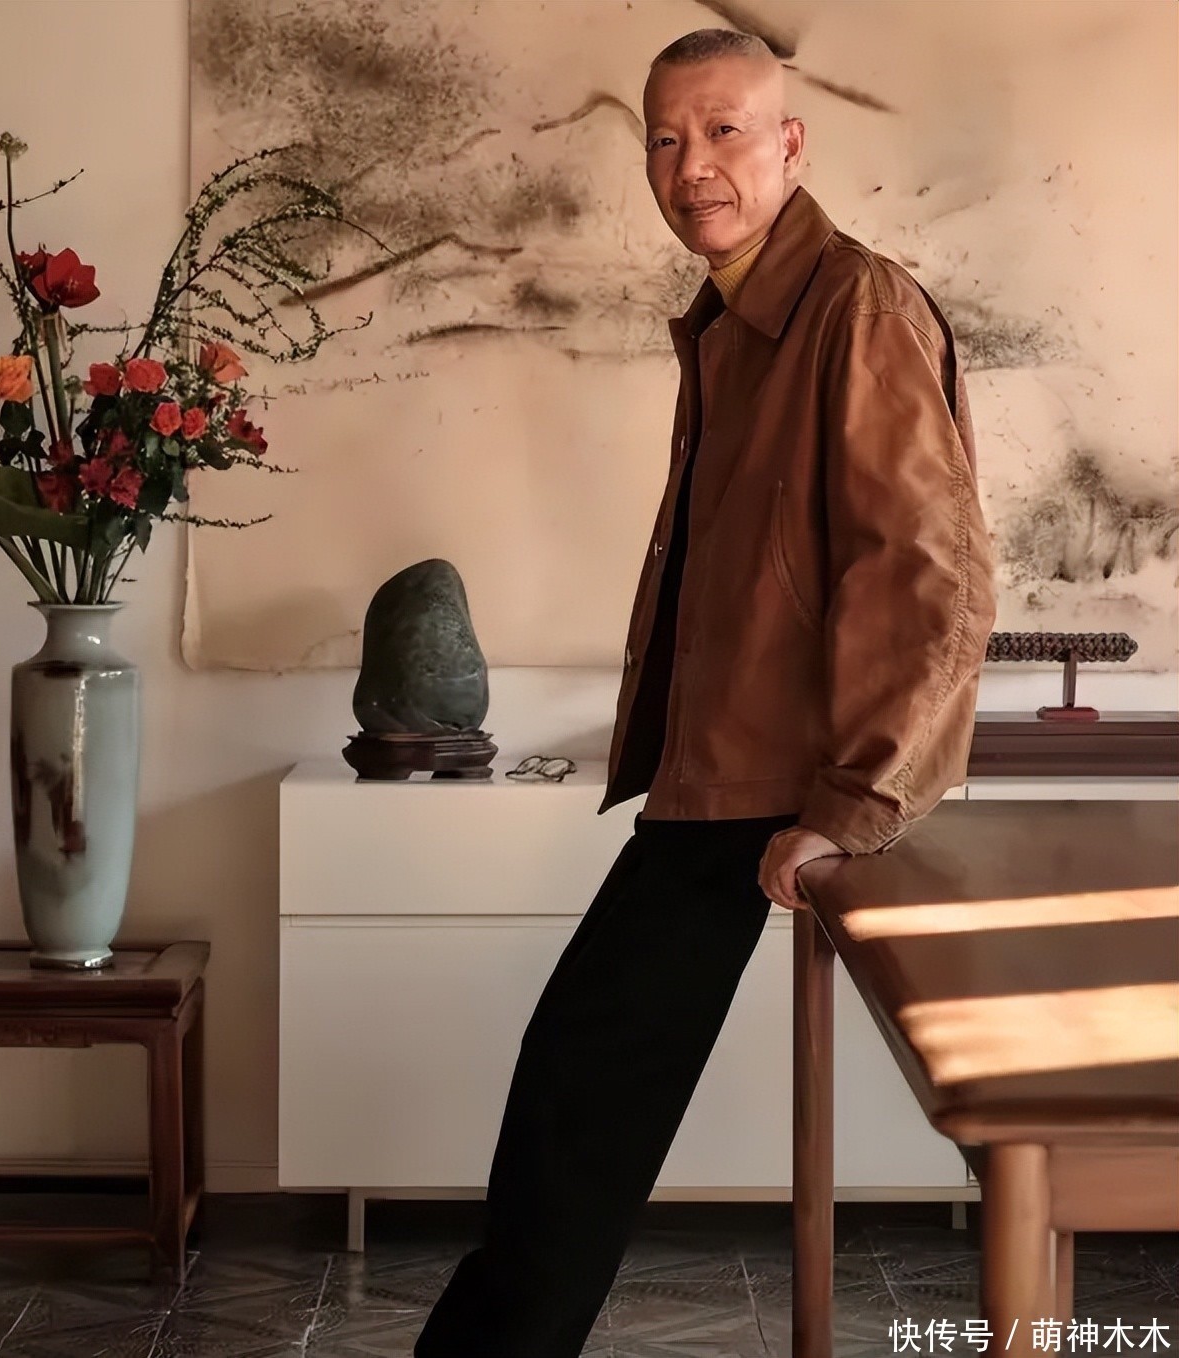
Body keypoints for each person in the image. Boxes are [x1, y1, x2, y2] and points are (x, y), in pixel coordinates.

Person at [414, 28, 997, 1358]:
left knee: (577, 1108)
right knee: (575, 1104)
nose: (693, 168)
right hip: (725, 776)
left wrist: (851, 803)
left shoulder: (854, 306)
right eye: (666, 141)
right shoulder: (736, 314)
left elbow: (934, 575)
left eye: (724, 131)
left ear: (791, 143)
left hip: (777, 788)